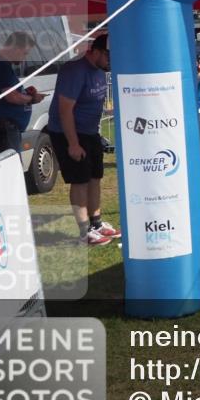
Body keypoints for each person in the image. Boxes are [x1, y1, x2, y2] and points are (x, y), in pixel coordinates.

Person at [46, 35, 120, 246]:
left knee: (95, 176)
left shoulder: (99, 71)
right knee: (79, 180)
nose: (110, 61)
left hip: (90, 132)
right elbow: (65, 110)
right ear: (94, 51)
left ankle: (96, 223)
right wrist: (73, 144)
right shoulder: (75, 71)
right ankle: (84, 231)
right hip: (69, 133)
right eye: (107, 56)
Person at [0, 31, 46, 157]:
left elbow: (7, 93)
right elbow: (11, 97)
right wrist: (31, 99)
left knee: (8, 164)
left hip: (2, 129)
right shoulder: (1, 65)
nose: (24, 58)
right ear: (16, 48)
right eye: (24, 53)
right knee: (10, 166)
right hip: (1, 130)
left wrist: (24, 93)